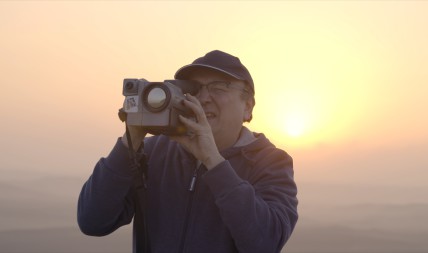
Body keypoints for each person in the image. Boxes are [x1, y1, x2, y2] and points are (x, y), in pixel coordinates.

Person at [77, 50, 298, 253]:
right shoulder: (155, 152)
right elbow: (93, 220)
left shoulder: (271, 162)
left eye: (219, 88)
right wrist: (130, 141)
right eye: (193, 89)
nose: (203, 98)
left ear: (248, 106)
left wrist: (213, 161)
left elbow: (265, 242)